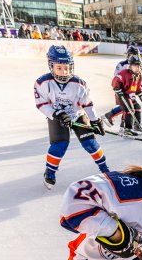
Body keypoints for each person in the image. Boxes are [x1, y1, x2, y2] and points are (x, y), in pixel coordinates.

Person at [33, 45, 108, 189]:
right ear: (51, 66)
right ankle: (50, 171)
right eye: (59, 67)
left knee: (90, 143)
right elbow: (41, 104)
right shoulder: (42, 83)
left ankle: (105, 169)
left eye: (67, 67)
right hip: (56, 116)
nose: (64, 71)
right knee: (60, 145)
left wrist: (95, 121)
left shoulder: (79, 83)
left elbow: (87, 104)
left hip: (77, 115)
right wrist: (57, 114)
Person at [103, 45, 142, 128]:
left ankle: (112, 116)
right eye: (132, 55)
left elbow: (140, 79)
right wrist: (119, 88)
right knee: (127, 106)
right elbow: (117, 77)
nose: (134, 56)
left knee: (132, 106)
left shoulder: (138, 65)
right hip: (122, 90)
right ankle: (124, 125)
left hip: (131, 90)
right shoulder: (122, 64)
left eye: (135, 54)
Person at [112, 55, 142, 135]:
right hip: (122, 94)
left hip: (129, 95)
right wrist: (117, 88)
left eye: (138, 65)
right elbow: (115, 81)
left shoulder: (139, 76)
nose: (137, 67)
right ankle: (128, 129)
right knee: (130, 108)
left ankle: (136, 125)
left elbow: (137, 88)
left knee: (137, 107)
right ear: (130, 66)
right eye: (134, 65)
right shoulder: (124, 73)